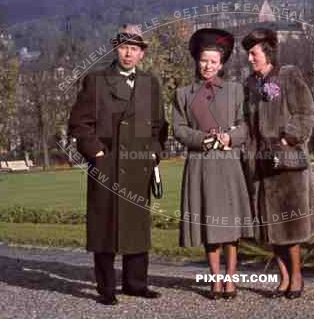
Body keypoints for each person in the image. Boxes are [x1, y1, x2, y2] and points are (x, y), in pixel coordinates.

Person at [68, 24, 168, 305]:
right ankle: (106, 288)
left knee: (137, 226)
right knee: (105, 226)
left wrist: (154, 153)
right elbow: (78, 124)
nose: (128, 53)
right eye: (124, 47)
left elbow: (159, 126)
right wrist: (96, 153)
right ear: (116, 48)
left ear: (142, 54)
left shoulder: (150, 84)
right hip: (107, 165)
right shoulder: (96, 81)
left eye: (134, 49)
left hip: (139, 166)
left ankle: (136, 284)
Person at [173, 28, 254, 300]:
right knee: (210, 226)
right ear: (197, 60)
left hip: (228, 164)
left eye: (213, 61)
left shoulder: (235, 91)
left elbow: (245, 126)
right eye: (203, 60)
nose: (207, 66)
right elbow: (179, 129)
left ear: (221, 64)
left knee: (230, 228)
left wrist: (231, 136)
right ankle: (214, 280)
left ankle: (231, 280)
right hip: (201, 165)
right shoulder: (184, 94)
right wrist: (203, 138)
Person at [241, 28, 314, 299]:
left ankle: (297, 276)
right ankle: (283, 277)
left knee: (290, 226)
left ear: (267, 53)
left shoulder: (288, 76)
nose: (250, 58)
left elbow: (306, 113)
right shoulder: (250, 85)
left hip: (287, 166)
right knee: (271, 227)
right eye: (249, 54)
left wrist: (288, 138)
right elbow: (248, 124)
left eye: (253, 53)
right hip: (262, 166)